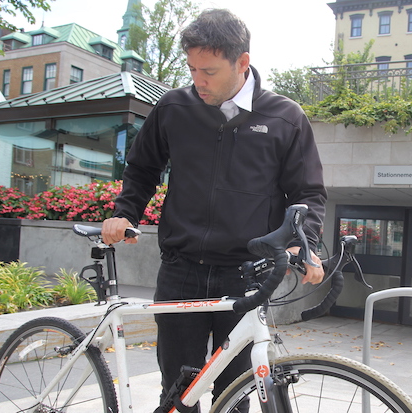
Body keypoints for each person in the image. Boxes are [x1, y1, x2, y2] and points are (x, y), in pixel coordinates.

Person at [101, 8, 327, 412]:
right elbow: (142, 167)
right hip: (180, 271)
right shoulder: (174, 108)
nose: (197, 81)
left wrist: (304, 244)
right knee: (178, 395)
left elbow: (306, 193)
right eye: (191, 69)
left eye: (208, 71)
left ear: (242, 62)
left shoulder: (285, 118)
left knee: (234, 397)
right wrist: (126, 212)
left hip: (245, 275)